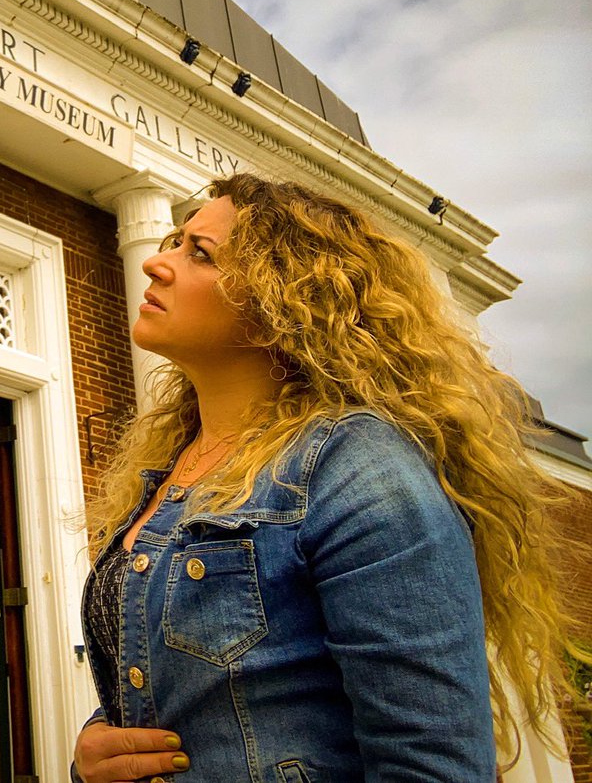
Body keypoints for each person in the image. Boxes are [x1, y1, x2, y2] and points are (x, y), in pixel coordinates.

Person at [72, 172, 589, 782]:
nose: (158, 263)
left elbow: (431, 766)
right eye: (173, 240)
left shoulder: (358, 467)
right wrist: (95, 752)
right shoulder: (169, 471)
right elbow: (181, 687)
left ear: (278, 306)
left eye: (199, 253)